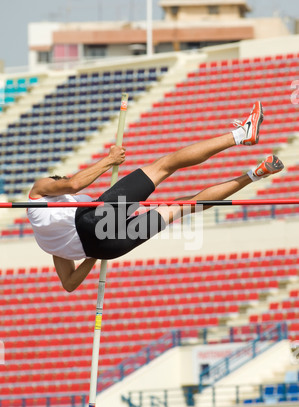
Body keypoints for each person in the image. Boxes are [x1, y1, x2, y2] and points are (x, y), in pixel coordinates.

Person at [27, 101, 284, 292]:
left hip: (107, 247)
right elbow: (73, 185)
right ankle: (242, 134)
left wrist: (94, 254)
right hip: (92, 222)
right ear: (54, 184)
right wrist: (109, 160)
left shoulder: (52, 245)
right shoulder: (39, 192)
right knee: (165, 165)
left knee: (181, 207)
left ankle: (256, 174)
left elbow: (69, 284)